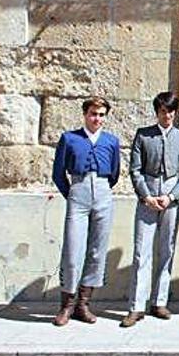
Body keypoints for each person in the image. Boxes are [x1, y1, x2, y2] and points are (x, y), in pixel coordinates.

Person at [121, 92, 179, 327]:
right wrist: (146, 196)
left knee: (167, 249)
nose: (168, 116)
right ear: (157, 112)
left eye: (171, 111)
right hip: (149, 193)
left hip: (170, 194)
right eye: (164, 111)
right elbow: (135, 169)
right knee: (142, 250)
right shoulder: (143, 135)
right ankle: (136, 306)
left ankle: (159, 301)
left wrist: (172, 196)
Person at [51, 96, 121, 326]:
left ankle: (83, 303)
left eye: (101, 115)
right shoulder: (70, 139)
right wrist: (71, 194)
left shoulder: (111, 141)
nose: (97, 119)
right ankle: (67, 305)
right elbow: (58, 173)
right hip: (78, 191)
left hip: (102, 192)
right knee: (73, 251)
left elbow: (114, 174)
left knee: (96, 250)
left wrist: (101, 190)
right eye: (93, 114)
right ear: (85, 114)